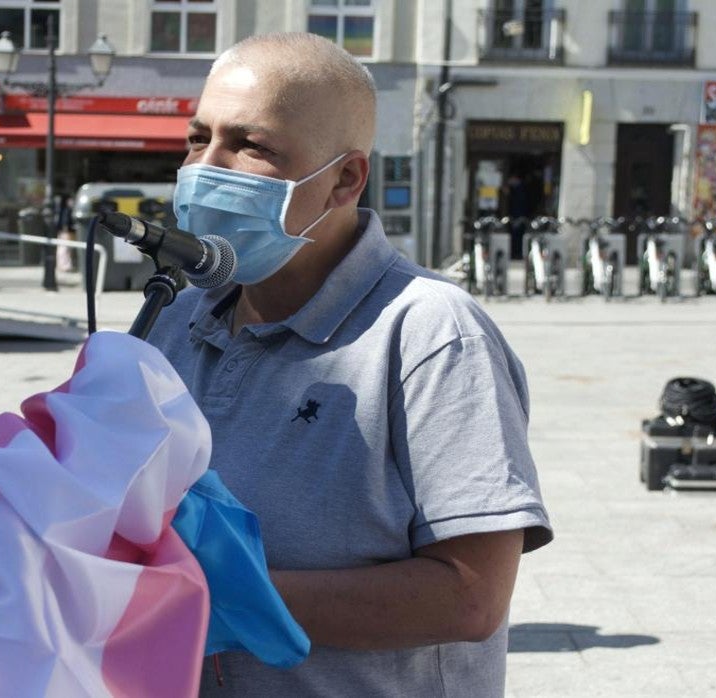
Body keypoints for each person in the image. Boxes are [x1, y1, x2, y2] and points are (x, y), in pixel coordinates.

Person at [145, 33, 552, 696]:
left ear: (345, 179)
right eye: (198, 138)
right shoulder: (172, 323)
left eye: (251, 145)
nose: (205, 169)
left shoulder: (432, 333)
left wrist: (234, 597)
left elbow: (471, 598)